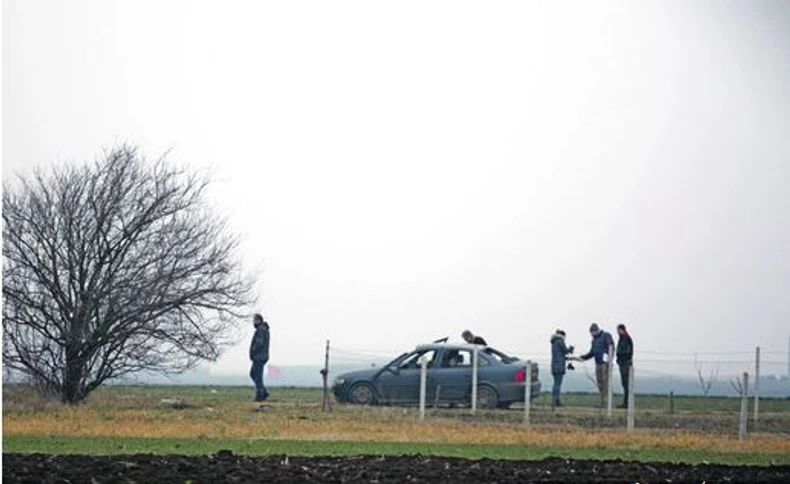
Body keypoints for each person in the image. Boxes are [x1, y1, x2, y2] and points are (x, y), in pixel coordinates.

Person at [577, 322, 614, 408]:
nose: (591, 334)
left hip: (606, 364)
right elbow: (592, 353)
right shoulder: (594, 341)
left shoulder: (606, 335)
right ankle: (603, 402)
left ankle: (608, 403)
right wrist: (583, 357)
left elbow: (611, 347)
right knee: (600, 383)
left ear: (596, 330)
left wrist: (608, 358)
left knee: (606, 382)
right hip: (598, 364)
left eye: (592, 332)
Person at [550, 329, 574, 410]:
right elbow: (565, 351)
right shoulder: (560, 341)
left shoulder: (554, 342)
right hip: (559, 365)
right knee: (558, 384)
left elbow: (560, 354)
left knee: (556, 383)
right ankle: (555, 402)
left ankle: (555, 401)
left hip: (554, 365)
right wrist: (570, 349)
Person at [249, 313, 270, 402]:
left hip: (259, 356)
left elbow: (259, 343)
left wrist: (253, 351)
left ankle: (259, 395)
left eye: (254, 320)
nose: (253, 322)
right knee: (254, 374)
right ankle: (264, 392)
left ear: (259, 320)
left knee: (257, 375)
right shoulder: (265, 329)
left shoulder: (260, 330)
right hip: (263, 356)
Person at [616, 323, 634, 409]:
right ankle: (625, 402)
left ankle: (627, 403)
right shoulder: (622, 338)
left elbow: (626, 352)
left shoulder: (626, 339)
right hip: (622, 363)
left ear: (622, 330)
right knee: (624, 383)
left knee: (626, 383)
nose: (617, 332)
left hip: (625, 363)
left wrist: (621, 357)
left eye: (619, 330)